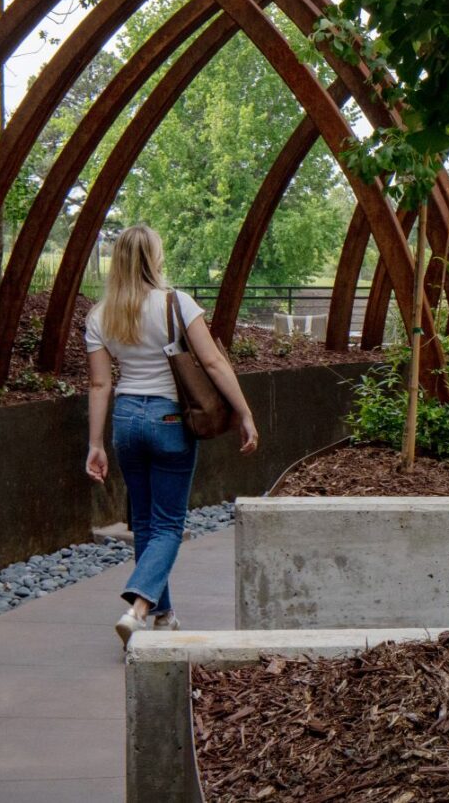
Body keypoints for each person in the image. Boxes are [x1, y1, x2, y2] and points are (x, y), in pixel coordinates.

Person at [82, 223, 258, 643]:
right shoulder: (175, 304)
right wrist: (245, 413)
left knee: (144, 522)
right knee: (167, 525)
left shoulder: (100, 314)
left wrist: (95, 444)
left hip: (126, 420)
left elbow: (100, 385)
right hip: (169, 421)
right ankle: (138, 608)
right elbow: (213, 363)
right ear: (154, 259)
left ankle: (164, 616)